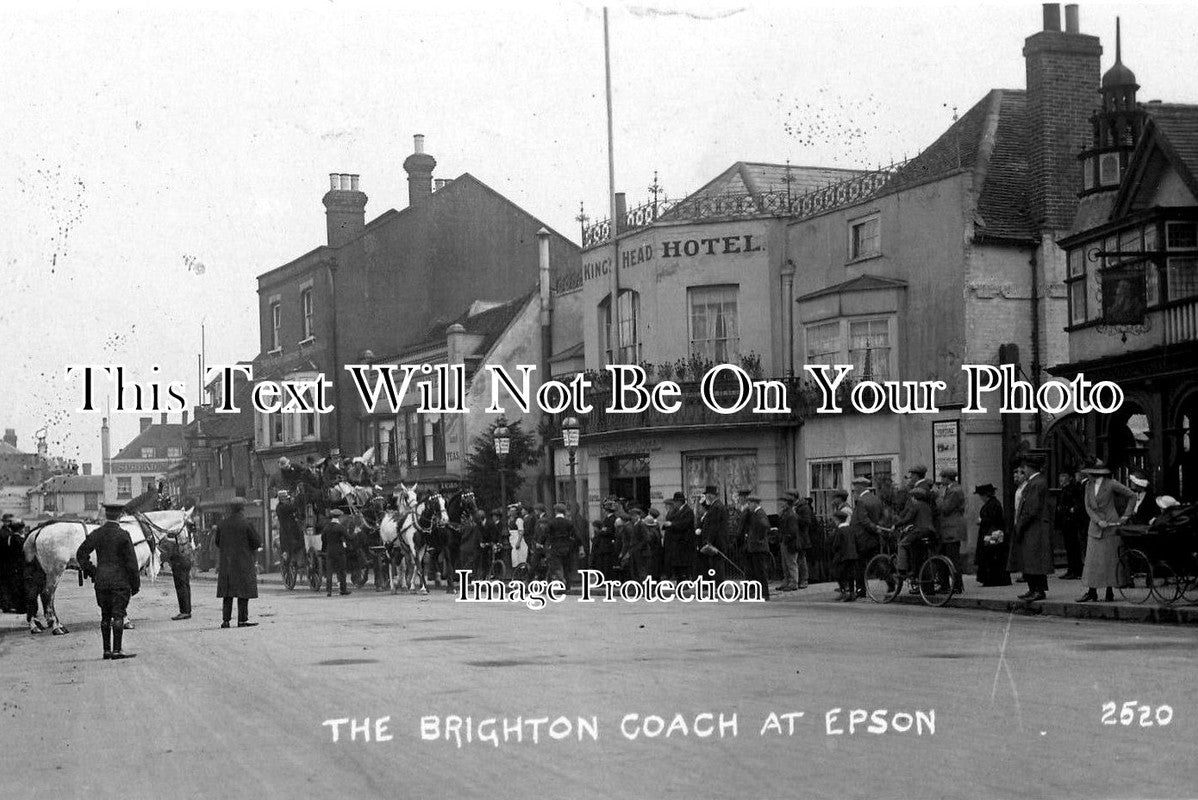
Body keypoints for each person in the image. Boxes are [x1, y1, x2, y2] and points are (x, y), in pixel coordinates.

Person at [75, 502, 140, 660]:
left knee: (105, 616)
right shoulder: (124, 535)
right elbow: (132, 563)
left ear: (106, 515)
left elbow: (80, 553)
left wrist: (92, 571)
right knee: (118, 616)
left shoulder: (97, 533)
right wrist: (135, 584)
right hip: (120, 582)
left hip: (102, 581)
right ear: (120, 516)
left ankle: (106, 650)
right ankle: (117, 650)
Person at [1077, 461, 1137, 603]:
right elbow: (1088, 507)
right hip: (1096, 526)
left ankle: (1109, 592)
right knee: (1092, 561)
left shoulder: (1111, 484)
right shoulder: (1088, 486)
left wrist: (1126, 516)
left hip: (1111, 525)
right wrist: (1098, 521)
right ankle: (1092, 592)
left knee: (1109, 561)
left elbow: (1132, 496)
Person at [1008, 456, 1052, 603]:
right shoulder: (1036, 482)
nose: (1023, 471)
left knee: (1034, 559)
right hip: (1033, 526)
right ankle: (1033, 588)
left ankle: (1038, 590)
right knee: (1029, 559)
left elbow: (1032, 508)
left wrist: (1020, 523)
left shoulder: (1036, 483)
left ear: (1030, 468)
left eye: (1024, 468)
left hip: (1034, 527)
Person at [215, 497, 261, 627]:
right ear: (243, 508)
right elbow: (256, 542)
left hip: (227, 563)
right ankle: (242, 620)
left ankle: (225, 621)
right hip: (243, 563)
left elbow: (217, 542)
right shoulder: (246, 524)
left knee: (227, 594)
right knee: (243, 593)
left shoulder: (222, 524)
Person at [849, 477, 885, 598]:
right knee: (876, 561)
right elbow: (881, 516)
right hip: (873, 538)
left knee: (860, 565)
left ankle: (861, 589)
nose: (854, 490)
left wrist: (874, 527)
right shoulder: (876, 499)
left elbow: (864, 520)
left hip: (862, 538)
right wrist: (877, 528)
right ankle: (890, 581)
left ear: (860, 487)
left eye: (855, 487)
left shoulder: (861, 501)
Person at [973, 484, 1010, 586]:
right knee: (990, 556)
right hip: (991, 533)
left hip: (992, 534)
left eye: (981, 495)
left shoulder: (993, 504)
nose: (980, 498)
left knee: (991, 555)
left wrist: (982, 520)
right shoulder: (993, 503)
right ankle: (990, 579)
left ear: (985, 495)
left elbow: (993, 519)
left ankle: (993, 579)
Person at [936, 468, 966, 594]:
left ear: (947, 478)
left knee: (953, 559)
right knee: (944, 558)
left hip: (951, 530)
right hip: (947, 530)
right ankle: (945, 585)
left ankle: (956, 586)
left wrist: (938, 496)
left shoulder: (954, 491)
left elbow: (946, 508)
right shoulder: (951, 489)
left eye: (942, 477)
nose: (941, 480)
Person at [895, 486, 936, 576]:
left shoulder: (916, 505)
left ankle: (902, 570)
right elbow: (922, 519)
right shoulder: (927, 506)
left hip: (920, 532)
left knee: (902, 544)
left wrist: (896, 525)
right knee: (916, 549)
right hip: (930, 532)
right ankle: (917, 571)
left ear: (914, 497)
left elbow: (908, 518)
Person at [1055, 470, 1086, 580]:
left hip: (1071, 521)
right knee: (1069, 547)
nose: (1060, 482)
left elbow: (1075, 504)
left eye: (1062, 480)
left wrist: (1070, 510)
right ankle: (1071, 569)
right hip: (1066, 521)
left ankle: (1076, 569)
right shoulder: (1065, 489)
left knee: (1073, 547)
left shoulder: (1073, 489)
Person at [696, 485, 728, 584]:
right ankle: (718, 584)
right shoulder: (715, 505)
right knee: (715, 564)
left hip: (717, 541)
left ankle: (719, 585)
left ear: (711, 495)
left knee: (717, 565)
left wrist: (709, 541)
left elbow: (714, 526)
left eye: (707, 495)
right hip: (717, 540)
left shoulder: (717, 507)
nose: (706, 497)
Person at [741, 495, 771, 601]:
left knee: (761, 572)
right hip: (754, 547)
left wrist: (758, 538)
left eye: (749, 503)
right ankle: (757, 593)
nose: (748, 506)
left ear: (754, 503)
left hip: (759, 548)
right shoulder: (754, 513)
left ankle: (764, 593)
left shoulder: (760, 513)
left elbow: (765, 526)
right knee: (754, 571)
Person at [164, 520, 195, 620]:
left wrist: (165, 538)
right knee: (185, 585)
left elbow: (180, 542)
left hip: (180, 559)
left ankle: (184, 611)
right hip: (186, 558)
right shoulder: (186, 530)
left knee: (181, 586)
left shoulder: (180, 529)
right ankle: (187, 610)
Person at [545, 503, 580, 590]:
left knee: (557, 565)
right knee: (566, 566)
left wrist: (541, 543)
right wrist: (581, 547)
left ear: (556, 511)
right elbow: (576, 535)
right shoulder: (568, 523)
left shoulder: (552, 522)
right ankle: (567, 586)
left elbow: (545, 534)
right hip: (566, 547)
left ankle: (561, 579)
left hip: (556, 546)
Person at [661, 492, 695, 581]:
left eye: (675, 502)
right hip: (676, 543)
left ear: (680, 502)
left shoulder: (688, 511)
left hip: (684, 542)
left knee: (683, 565)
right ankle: (680, 581)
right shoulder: (677, 510)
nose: (674, 504)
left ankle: (685, 581)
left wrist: (672, 524)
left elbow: (684, 524)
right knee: (678, 565)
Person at [774, 491, 800, 592]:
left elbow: (792, 531)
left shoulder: (791, 515)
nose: (781, 504)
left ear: (787, 503)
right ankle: (786, 581)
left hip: (790, 543)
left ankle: (794, 582)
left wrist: (785, 538)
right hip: (784, 541)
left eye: (783, 502)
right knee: (785, 564)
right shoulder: (785, 514)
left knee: (791, 563)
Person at [321, 509, 351, 596]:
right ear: (340, 517)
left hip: (330, 551)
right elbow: (348, 538)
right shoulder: (340, 527)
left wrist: (326, 547)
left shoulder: (326, 527)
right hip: (339, 552)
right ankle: (343, 590)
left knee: (329, 572)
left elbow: (323, 539)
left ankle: (329, 591)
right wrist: (355, 533)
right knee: (342, 571)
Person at [0, 513, 26, 613]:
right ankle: (9, 605)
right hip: (7, 564)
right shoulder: (5, 534)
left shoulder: (7, 533)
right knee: (8, 585)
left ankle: (8, 605)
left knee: (8, 585)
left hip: (7, 564)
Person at [829, 507, 857, 601]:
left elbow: (836, 544)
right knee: (850, 575)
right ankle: (852, 593)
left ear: (837, 520)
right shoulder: (851, 529)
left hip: (842, 556)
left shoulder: (839, 530)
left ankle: (844, 592)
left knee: (838, 574)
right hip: (852, 555)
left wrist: (834, 551)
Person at [276, 490, 304, 573]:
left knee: (299, 543)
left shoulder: (284, 506)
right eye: (286, 499)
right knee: (290, 547)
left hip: (292, 529)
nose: (287, 500)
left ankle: (297, 560)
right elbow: (293, 508)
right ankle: (293, 561)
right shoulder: (281, 507)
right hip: (287, 531)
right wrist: (296, 500)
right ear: (282, 499)